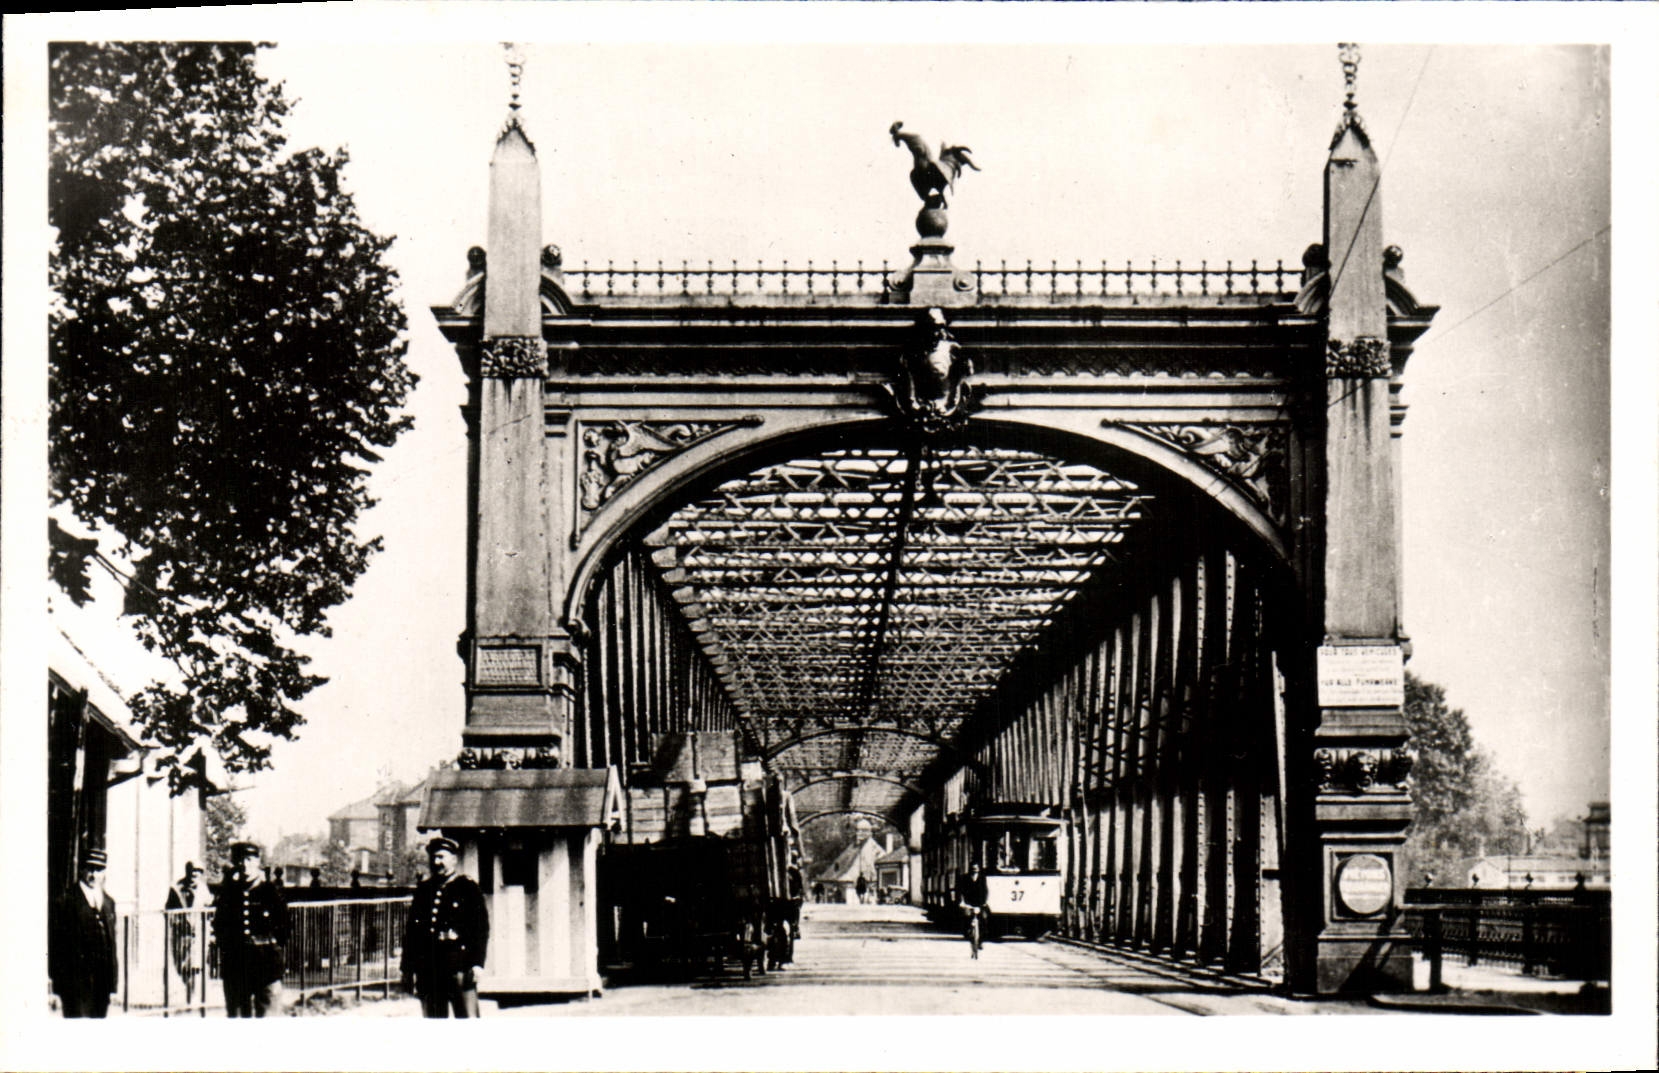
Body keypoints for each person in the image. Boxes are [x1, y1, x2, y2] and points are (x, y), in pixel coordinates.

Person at [401, 836, 489, 1018]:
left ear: (454, 859)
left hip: (459, 967)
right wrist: (407, 969)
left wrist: (477, 963)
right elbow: (412, 933)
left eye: (441, 857)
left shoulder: (468, 888)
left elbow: (480, 929)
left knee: (467, 1019)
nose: (436, 862)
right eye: (433, 857)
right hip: (429, 970)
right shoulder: (424, 890)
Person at [213, 842, 289, 1017]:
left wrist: (273, 949)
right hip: (236, 966)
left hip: (266, 966)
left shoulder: (270, 891)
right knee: (238, 1017)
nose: (244, 865)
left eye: (249, 859)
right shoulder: (229, 894)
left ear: (257, 862)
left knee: (268, 1015)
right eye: (240, 860)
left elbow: (284, 926)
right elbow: (220, 926)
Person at [49, 847, 119, 1017]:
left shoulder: (109, 903)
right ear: (81, 870)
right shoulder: (66, 901)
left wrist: (113, 984)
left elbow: (112, 945)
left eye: (99, 869)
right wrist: (56, 989)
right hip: (76, 987)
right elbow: (57, 947)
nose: (94, 875)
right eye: (90, 869)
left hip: (102, 986)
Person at [164, 862, 203, 1003]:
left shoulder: (203, 890)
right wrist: (176, 920)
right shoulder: (176, 889)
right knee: (181, 967)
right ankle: (190, 991)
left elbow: (210, 907)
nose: (194, 875)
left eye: (197, 872)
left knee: (194, 966)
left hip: (197, 935)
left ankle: (192, 996)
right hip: (181, 934)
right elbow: (168, 909)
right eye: (191, 871)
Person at [958, 863, 989, 959]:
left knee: (984, 919)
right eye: (973, 869)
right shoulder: (964, 878)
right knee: (965, 918)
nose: (975, 870)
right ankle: (967, 933)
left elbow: (986, 891)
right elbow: (960, 891)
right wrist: (962, 902)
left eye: (976, 869)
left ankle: (981, 941)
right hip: (968, 903)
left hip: (980, 903)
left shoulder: (982, 878)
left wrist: (985, 903)